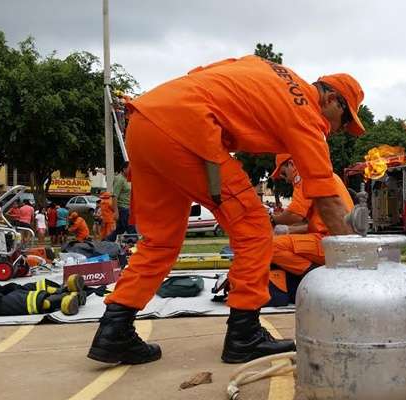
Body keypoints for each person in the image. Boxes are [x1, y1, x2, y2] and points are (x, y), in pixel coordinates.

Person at [87, 55, 364, 366]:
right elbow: (326, 198)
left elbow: (201, 73)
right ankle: (244, 336)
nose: (338, 130)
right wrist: (357, 262)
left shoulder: (266, 67)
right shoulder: (306, 114)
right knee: (256, 229)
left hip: (143, 122)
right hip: (188, 130)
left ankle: (115, 330)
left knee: (159, 241)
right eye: (344, 122)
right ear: (329, 99)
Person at [268, 154, 354, 301]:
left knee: (268, 247)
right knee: (281, 242)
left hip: (330, 243)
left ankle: (316, 277)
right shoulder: (325, 174)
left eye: (283, 173)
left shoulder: (304, 176)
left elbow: (295, 215)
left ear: (292, 164)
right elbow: (317, 224)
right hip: (342, 242)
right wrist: (289, 231)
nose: (285, 178)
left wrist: (271, 220)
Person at [105, 162, 136, 241]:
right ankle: (133, 244)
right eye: (130, 169)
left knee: (119, 229)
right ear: (124, 169)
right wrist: (116, 212)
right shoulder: (119, 179)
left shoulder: (128, 179)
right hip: (123, 209)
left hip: (128, 208)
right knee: (131, 229)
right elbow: (114, 196)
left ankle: (106, 242)